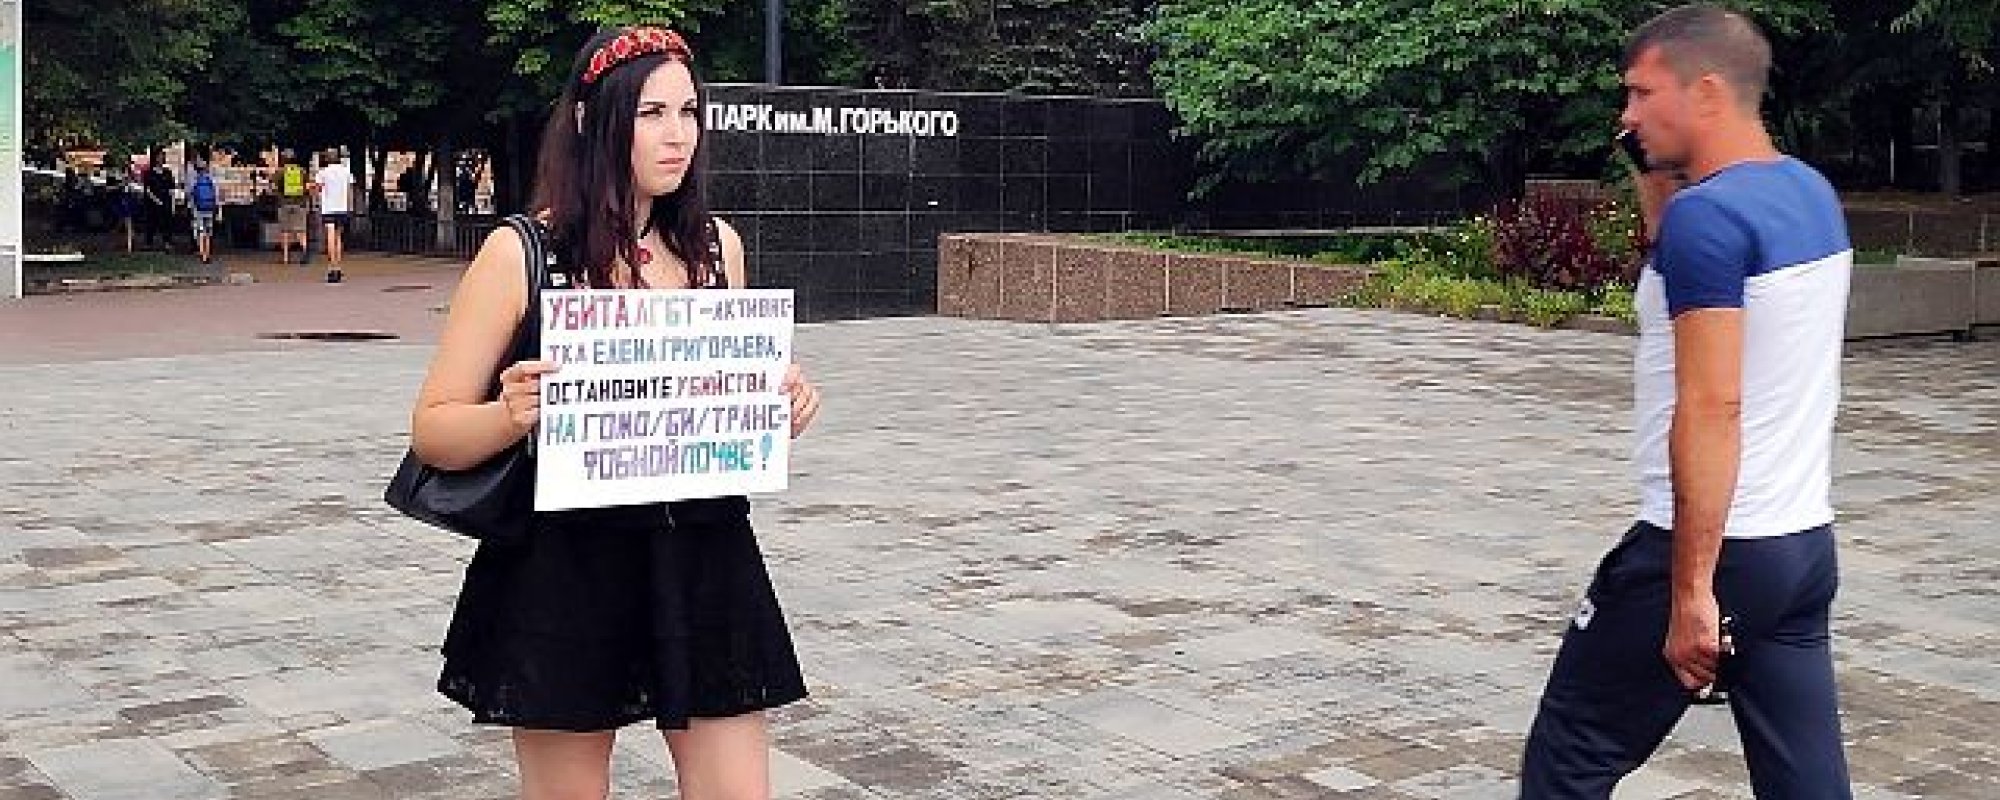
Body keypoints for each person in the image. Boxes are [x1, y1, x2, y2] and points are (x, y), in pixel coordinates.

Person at [408, 26, 824, 800]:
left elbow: (715, 405)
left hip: (702, 551)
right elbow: (433, 429)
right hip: (565, 564)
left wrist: (775, 404)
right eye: (651, 113)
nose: (678, 136)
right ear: (591, 120)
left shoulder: (716, 249)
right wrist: (509, 414)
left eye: (689, 113)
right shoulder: (523, 253)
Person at [1518, 5, 1855, 798]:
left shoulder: (1710, 217)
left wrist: (1690, 590)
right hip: (1798, 548)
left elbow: (1710, 407)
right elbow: (1685, 271)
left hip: (1711, 545)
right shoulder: (1804, 192)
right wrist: (1653, 179)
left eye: (1642, 93)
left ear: (1705, 91)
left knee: (1568, 757)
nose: (1627, 115)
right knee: (1806, 785)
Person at [314, 148, 355, 281]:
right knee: (338, 238)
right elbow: (350, 191)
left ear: (327, 159)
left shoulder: (322, 173)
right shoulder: (346, 171)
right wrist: (350, 207)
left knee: (330, 237)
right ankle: (338, 267)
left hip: (328, 208)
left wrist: (317, 200)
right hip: (342, 208)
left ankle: (332, 268)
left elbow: (317, 190)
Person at [277, 150, 311, 264]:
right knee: (301, 230)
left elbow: (273, 187)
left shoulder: (280, 172)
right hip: (300, 204)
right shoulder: (302, 171)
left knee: (285, 231)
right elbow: (307, 187)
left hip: (284, 204)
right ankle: (305, 250)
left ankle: (286, 258)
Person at [189, 160, 224, 264]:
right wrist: (218, 211)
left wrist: (191, 209)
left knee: (200, 232)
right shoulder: (211, 180)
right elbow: (217, 197)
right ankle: (207, 254)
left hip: (198, 209)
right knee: (208, 233)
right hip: (209, 209)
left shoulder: (194, 181)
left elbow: (191, 196)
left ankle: (202, 254)